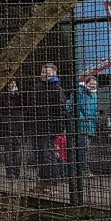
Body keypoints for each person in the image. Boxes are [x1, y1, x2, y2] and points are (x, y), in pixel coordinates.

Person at [28, 62, 67, 192]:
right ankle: (43, 181)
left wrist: (59, 129)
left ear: (54, 74)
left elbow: (61, 110)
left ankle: (53, 182)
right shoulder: (36, 87)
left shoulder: (57, 89)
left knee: (47, 154)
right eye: (43, 72)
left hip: (50, 128)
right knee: (38, 155)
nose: (45, 75)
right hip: (36, 127)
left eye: (48, 73)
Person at [0, 79, 27, 179]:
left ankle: (16, 172)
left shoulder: (20, 95)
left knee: (17, 151)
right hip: (7, 127)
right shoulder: (2, 96)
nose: (13, 85)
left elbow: (25, 109)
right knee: (8, 151)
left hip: (19, 127)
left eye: (14, 83)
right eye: (11, 83)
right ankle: (10, 173)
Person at [71, 72, 100, 175]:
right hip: (82, 124)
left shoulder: (95, 94)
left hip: (91, 125)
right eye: (91, 83)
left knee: (85, 149)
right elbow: (74, 107)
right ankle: (82, 170)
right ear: (86, 83)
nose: (93, 85)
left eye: (95, 83)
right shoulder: (80, 93)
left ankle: (80, 169)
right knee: (82, 148)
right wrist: (81, 119)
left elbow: (95, 109)